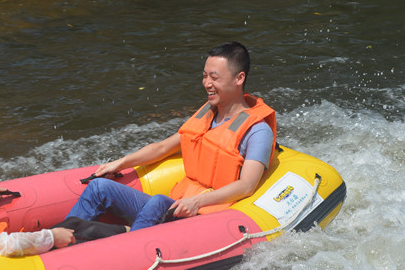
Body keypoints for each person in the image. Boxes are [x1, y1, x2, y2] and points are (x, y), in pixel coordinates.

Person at [64, 42, 276, 231]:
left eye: (214, 77)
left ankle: (126, 255)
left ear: (239, 78)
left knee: (157, 202)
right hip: (177, 206)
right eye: (204, 75)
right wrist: (119, 163)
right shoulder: (208, 115)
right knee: (99, 187)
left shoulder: (257, 130)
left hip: (207, 216)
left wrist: (198, 202)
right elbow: (163, 147)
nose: (206, 83)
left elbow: (246, 185)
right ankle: (59, 240)